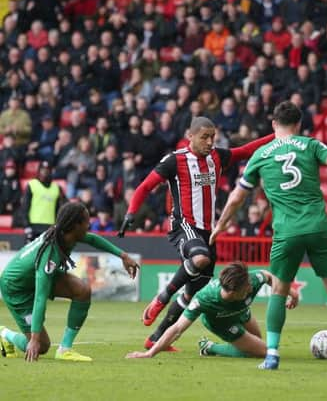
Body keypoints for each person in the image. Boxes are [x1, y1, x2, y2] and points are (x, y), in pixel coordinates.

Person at [211, 101, 327, 372]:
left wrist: (221, 224)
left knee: (279, 292)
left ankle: (271, 355)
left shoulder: (261, 153)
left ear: (273, 124)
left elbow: (237, 197)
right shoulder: (311, 145)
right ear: (299, 124)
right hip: (318, 228)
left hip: (286, 232)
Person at [119, 117, 274, 351]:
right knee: (200, 259)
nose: (210, 142)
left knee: (194, 291)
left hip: (208, 231)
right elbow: (144, 187)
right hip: (184, 225)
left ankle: (155, 338)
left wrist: (279, 136)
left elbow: (245, 150)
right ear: (190, 136)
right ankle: (162, 296)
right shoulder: (175, 160)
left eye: (213, 136)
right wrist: (131, 212)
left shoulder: (217, 157)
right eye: (205, 137)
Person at [0, 202, 138, 362]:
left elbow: (93, 240)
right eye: (86, 221)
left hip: (31, 278)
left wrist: (123, 255)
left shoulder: (66, 235)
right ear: (75, 225)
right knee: (42, 345)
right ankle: (5, 335)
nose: (89, 224)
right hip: (16, 288)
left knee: (82, 290)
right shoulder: (49, 255)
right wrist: (35, 338)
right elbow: (40, 298)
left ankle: (64, 349)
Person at [125, 262, 298, 360]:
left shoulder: (250, 279)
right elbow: (177, 329)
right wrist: (149, 353)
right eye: (246, 288)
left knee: (255, 346)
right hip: (221, 322)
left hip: (242, 312)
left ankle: (231, 347)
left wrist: (292, 293)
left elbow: (268, 276)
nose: (250, 288)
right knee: (264, 352)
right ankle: (210, 347)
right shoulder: (204, 299)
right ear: (232, 291)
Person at [22, 161, 66, 243]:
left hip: (50, 227)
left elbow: (59, 209)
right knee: (32, 254)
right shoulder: (32, 185)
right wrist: (26, 225)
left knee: (48, 254)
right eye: (43, 170)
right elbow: (25, 206)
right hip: (33, 226)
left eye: (47, 170)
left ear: (51, 171)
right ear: (39, 171)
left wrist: (58, 225)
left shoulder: (57, 188)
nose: (45, 172)